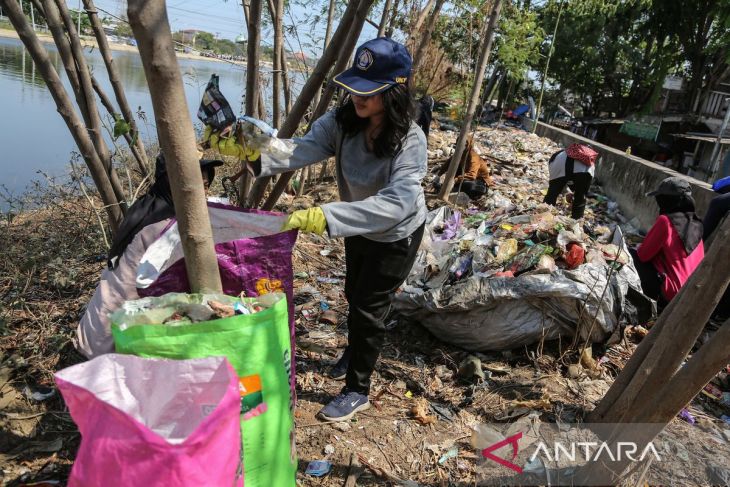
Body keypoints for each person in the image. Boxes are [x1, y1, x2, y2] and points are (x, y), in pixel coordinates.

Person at [249, 38, 427, 422]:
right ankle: (354, 351)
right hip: (357, 226)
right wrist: (253, 153)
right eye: (355, 88)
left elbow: (398, 203)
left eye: (369, 92)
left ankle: (357, 389)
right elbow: (301, 149)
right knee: (352, 291)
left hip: (396, 233)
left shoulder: (410, 139)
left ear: (394, 92)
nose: (357, 98)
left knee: (369, 307)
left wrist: (326, 216)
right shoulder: (343, 122)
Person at [75, 154, 224, 358]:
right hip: (113, 346)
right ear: (171, 184)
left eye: (206, 185)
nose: (204, 193)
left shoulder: (149, 205)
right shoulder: (166, 228)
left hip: (93, 333)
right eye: (196, 185)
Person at [630, 177, 704, 308]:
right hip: (690, 295)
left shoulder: (665, 221)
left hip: (670, 293)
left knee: (631, 254)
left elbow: (643, 255)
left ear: (666, 200)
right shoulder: (697, 223)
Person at [543, 143, 598, 219]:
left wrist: (565, 191)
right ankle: (577, 221)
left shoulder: (557, 157)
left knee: (552, 193)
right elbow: (578, 184)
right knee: (580, 198)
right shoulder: (590, 161)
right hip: (587, 172)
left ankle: (544, 215)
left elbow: (557, 181)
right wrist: (571, 193)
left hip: (561, 164)